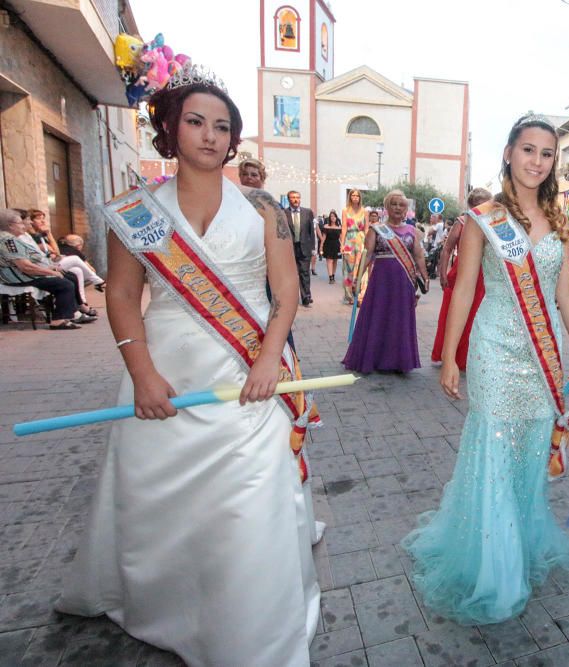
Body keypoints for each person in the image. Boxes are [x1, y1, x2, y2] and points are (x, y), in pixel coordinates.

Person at [56, 73, 320, 665]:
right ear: (170, 130)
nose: (210, 135)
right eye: (196, 121)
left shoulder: (262, 207)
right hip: (168, 371)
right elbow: (123, 296)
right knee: (163, 503)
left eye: (222, 126)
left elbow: (286, 295)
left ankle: (252, 627)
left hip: (250, 372)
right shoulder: (135, 211)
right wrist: (143, 373)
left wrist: (269, 358)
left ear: (233, 141)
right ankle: (170, 605)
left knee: (249, 502)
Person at [402, 114, 569, 625]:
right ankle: (495, 565)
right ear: (508, 152)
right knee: (493, 443)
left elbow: (566, 291)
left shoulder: (561, 217)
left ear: (555, 162)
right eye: (528, 150)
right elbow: (463, 288)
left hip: (543, 346)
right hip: (495, 345)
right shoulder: (484, 217)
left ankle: (518, 539)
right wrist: (449, 356)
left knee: (529, 448)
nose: (537, 161)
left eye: (547, 153)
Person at [341, 189, 428, 373]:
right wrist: (357, 278)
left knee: (399, 318)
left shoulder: (413, 231)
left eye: (401, 205)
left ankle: (398, 361)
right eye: (394, 204)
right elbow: (368, 255)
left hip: (404, 282)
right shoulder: (376, 229)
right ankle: (373, 359)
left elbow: (419, 256)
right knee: (378, 316)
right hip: (381, 282)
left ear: (406, 209)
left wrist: (425, 276)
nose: (398, 207)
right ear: (387, 207)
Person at [430, 187, 492, 369]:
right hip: (461, 273)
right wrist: (442, 272)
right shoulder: (462, 222)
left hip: (484, 275)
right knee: (452, 314)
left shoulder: (493, 224)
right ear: (472, 206)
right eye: (480, 205)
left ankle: (468, 357)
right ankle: (448, 354)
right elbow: (447, 248)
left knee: (476, 317)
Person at [0, 208, 90, 329]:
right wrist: (49, 272)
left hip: (26, 274)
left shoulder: (12, 238)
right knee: (64, 284)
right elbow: (25, 266)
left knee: (70, 276)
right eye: (20, 222)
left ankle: (72, 314)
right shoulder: (8, 241)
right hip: (20, 277)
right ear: (10, 225)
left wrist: (51, 268)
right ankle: (58, 320)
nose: (24, 225)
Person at [285, 190, 315, 307]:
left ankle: (306, 297)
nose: (296, 200)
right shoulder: (283, 213)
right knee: (291, 274)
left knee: (305, 273)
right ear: (289, 199)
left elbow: (311, 232)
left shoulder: (307, 213)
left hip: (304, 247)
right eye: (293, 198)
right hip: (289, 248)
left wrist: (313, 248)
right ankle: (291, 297)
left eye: (298, 197)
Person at [341, 189, 367, 305]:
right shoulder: (345, 211)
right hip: (349, 241)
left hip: (361, 239)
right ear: (350, 197)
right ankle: (349, 295)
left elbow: (366, 228)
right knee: (349, 269)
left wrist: (367, 243)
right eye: (353, 195)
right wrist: (342, 244)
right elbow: (344, 228)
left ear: (360, 197)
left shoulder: (364, 211)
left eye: (357, 195)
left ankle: (360, 294)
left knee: (361, 267)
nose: (355, 197)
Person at [321, 210, 342, 284]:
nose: (333, 218)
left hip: (336, 245)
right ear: (329, 218)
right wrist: (321, 246)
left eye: (334, 216)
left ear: (336, 218)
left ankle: (333, 274)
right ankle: (330, 277)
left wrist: (342, 246)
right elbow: (323, 237)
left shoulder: (339, 227)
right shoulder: (326, 226)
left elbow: (341, 238)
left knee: (335, 261)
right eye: (331, 216)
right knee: (329, 261)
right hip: (328, 244)